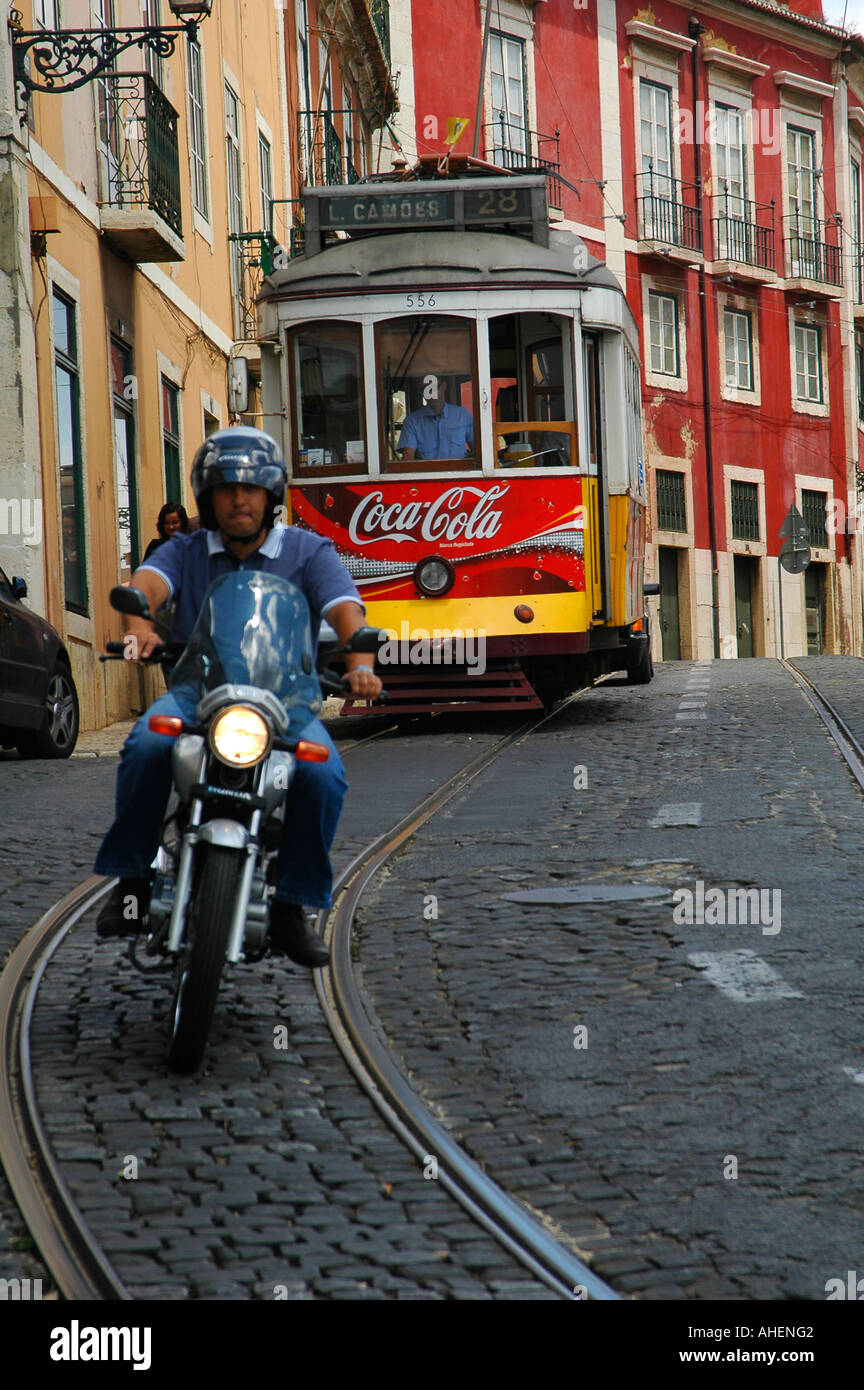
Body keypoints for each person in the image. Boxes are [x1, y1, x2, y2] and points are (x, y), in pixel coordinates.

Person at [93, 427, 382, 967]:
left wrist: (360, 665)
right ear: (209, 497)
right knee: (146, 746)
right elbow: (147, 587)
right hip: (196, 693)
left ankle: (292, 905)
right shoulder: (185, 550)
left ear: (271, 497)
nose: (239, 499)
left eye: (251, 489)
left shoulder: (307, 550)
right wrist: (140, 627)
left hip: (287, 702)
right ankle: (131, 884)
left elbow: (347, 610)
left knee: (323, 773)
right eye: (225, 489)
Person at [398, 379, 474, 461]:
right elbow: (408, 459)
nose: (430, 393)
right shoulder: (412, 421)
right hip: (427, 473)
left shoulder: (463, 415)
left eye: (433, 388)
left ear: (443, 386)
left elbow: (478, 450)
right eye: (425, 389)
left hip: (460, 472)